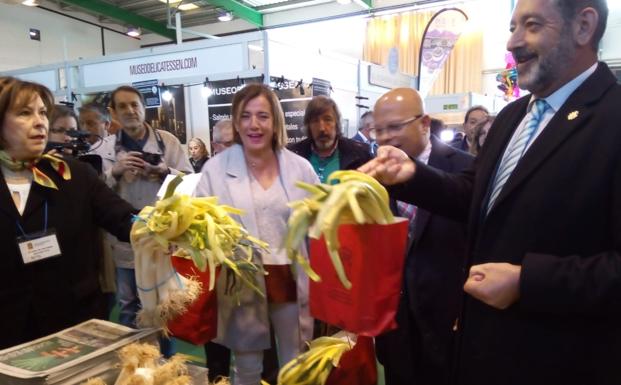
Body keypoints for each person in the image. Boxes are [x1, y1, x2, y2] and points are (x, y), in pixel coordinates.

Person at [360, 1, 621, 384]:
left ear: (583, 26)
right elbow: (475, 197)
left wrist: (527, 281)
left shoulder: (613, 119)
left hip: (560, 360)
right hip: (480, 351)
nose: (514, 42)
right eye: (513, 26)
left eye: (531, 26)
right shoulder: (513, 119)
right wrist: (413, 175)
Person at [0, 77, 136, 349]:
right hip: (8, 332)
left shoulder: (75, 175)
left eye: (42, 113)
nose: (40, 122)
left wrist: (172, 222)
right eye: (24, 113)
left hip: (74, 327)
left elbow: (125, 219)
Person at [196, 83, 318, 385]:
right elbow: (200, 221)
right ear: (236, 123)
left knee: (295, 359)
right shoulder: (215, 169)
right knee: (247, 363)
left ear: (275, 121)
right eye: (246, 116)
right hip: (243, 280)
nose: (254, 124)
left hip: (289, 278)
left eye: (263, 116)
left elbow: (320, 219)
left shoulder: (299, 167)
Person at [371, 87, 472, 385]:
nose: (386, 137)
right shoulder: (371, 176)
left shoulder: (465, 168)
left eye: (395, 127)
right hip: (395, 325)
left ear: (425, 123)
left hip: (447, 322)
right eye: (378, 130)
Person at [94, 85, 192, 356]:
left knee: (163, 307)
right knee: (128, 307)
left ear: (144, 108)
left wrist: (164, 172)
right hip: (125, 243)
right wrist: (115, 172)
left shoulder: (168, 143)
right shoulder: (104, 151)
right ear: (112, 112)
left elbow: (191, 184)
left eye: (135, 105)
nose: (130, 111)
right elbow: (92, 196)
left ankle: (166, 364)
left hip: (163, 241)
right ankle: (133, 364)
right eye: (122, 106)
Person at [289, 95, 372, 182]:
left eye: (327, 119)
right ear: (308, 126)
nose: (322, 128)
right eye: (315, 121)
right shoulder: (293, 155)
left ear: (337, 123)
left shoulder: (361, 154)